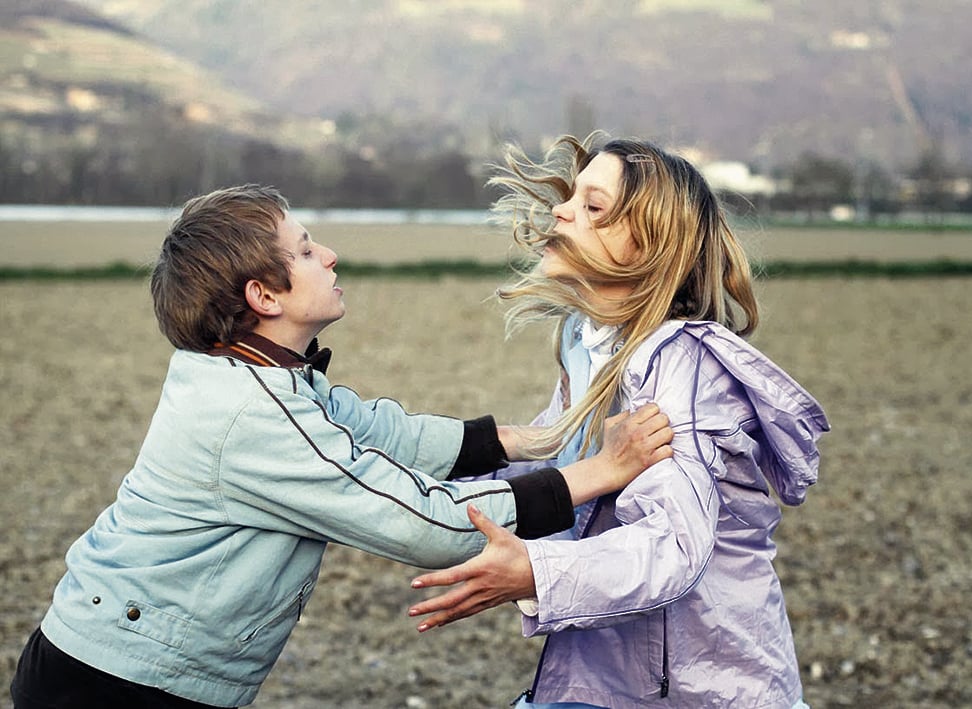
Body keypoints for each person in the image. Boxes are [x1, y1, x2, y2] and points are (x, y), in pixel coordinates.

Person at [8, 184, 674, 709]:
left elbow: (392, 435)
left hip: (116, 661)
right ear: (262, 294)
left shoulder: (269, 376)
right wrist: (599, 470)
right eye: (303, 250)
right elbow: (423, 520)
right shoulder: (252, 411)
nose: (327, 255)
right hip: (112, 681)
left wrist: (545, 435)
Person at [407, 136, 831, 708]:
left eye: (593, 206)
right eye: (571, 197)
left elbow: (673, 545)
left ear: (647, 247)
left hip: (701, 687)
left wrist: (536, 572)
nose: (560, 211)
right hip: (603, 677)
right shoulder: (586, 343)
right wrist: (416, 498)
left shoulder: (683, 365)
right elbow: (557, 477)